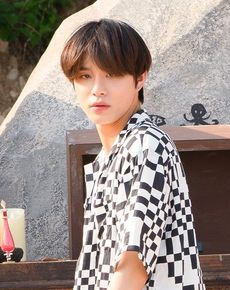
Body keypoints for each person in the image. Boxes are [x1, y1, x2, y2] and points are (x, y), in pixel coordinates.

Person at [61, 18, 205, 290]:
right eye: (85, 76)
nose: (97, 89)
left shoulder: (145, 145)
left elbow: (132, 268)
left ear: (140, 77)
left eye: (112, 74)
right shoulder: (112, 155)